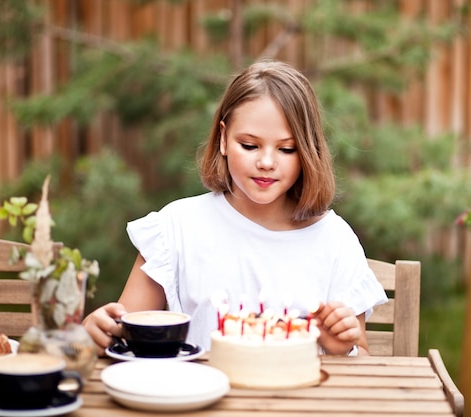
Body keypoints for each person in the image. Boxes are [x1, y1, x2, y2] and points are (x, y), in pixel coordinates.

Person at [83, 60, 388, 356]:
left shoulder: (334, 240)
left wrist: (341, 348)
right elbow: (125, 333)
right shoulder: (176, 228)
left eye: (286, 148)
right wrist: (95, 333)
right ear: (224, 139)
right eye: (250, 145)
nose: (266, 162)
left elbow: (358, 357)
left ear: (307, 150)